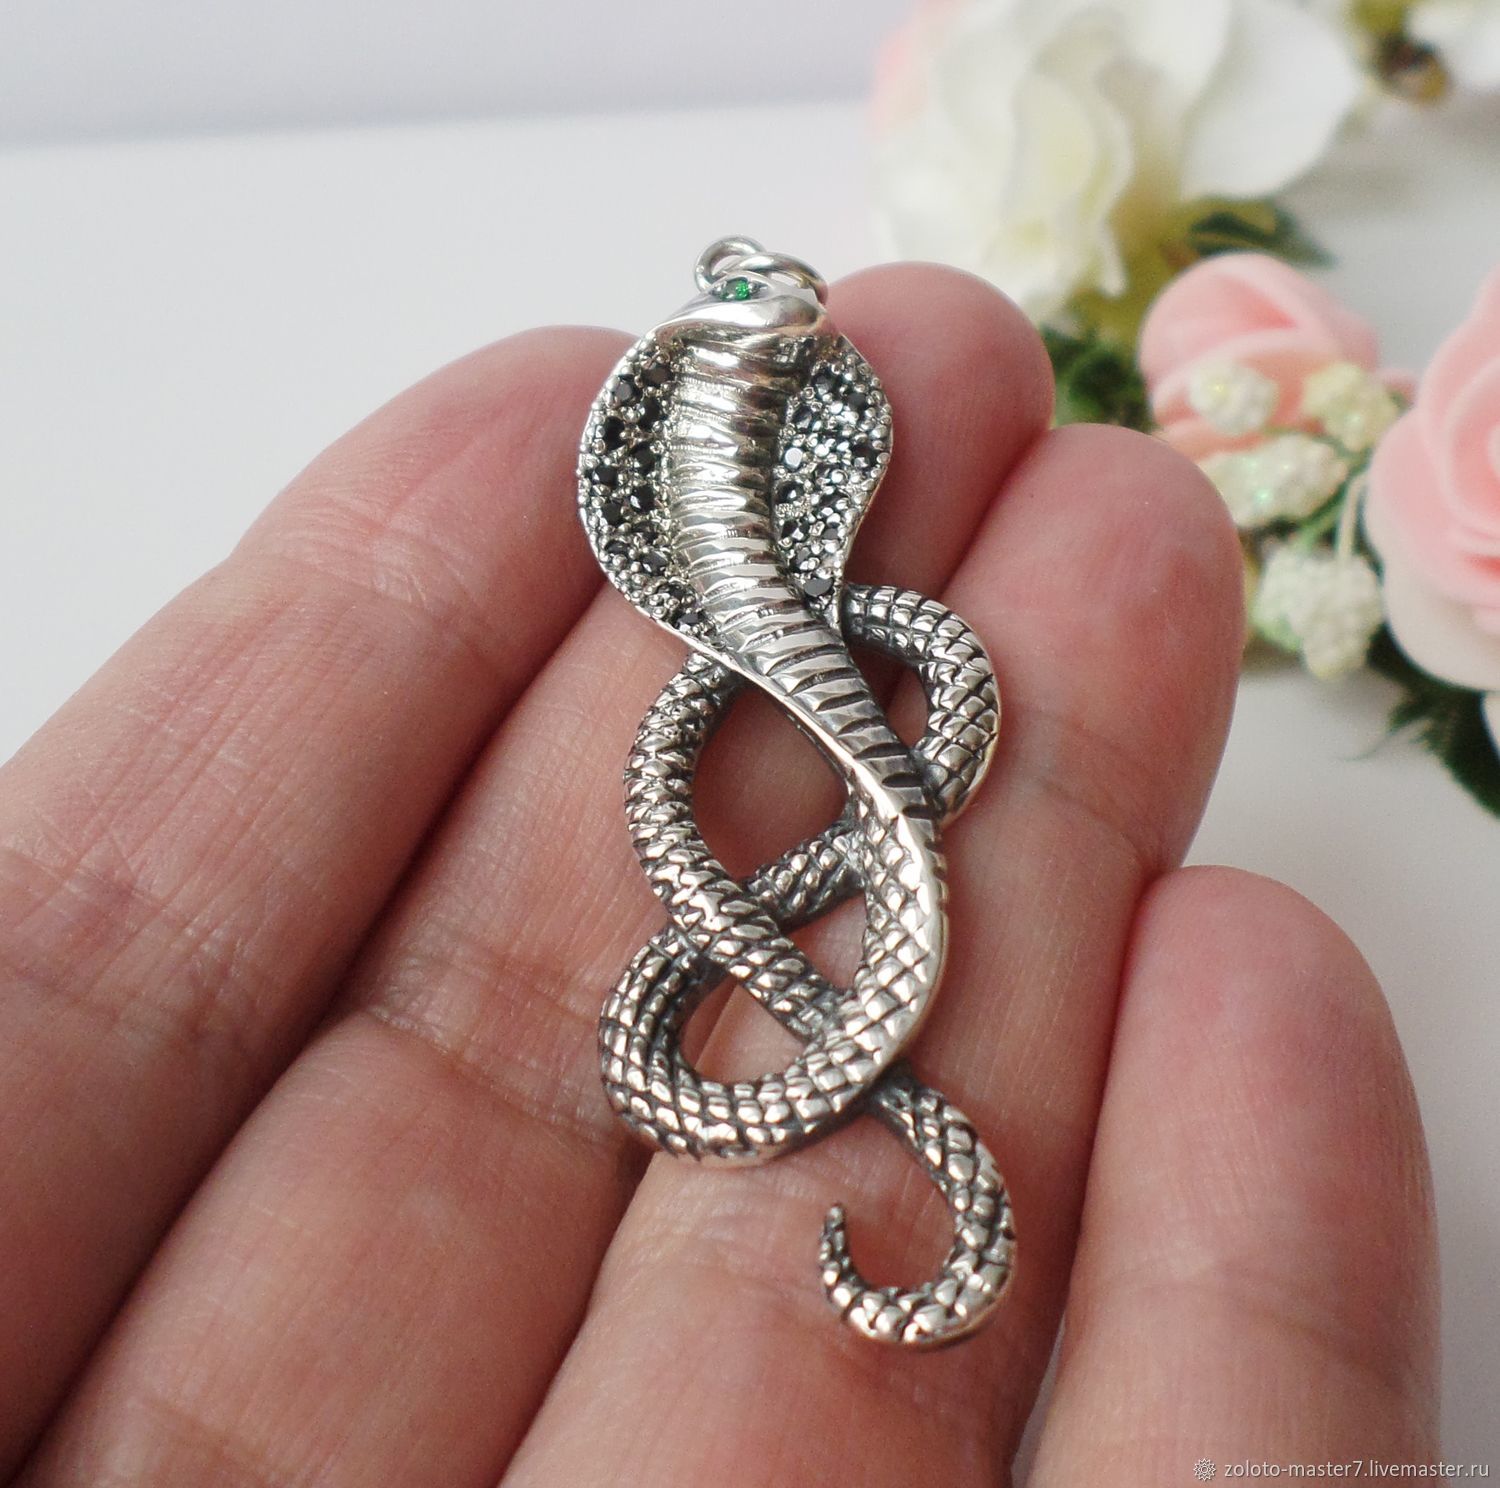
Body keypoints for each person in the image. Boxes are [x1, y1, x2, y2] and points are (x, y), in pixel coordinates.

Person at [0, 266, 1437, 1486]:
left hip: (815, 668)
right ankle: (870, 1081)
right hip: (767, 753)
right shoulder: (675, 444)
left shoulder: (833, 440)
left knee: (878, 793)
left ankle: (870, 1074)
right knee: (837, 813)